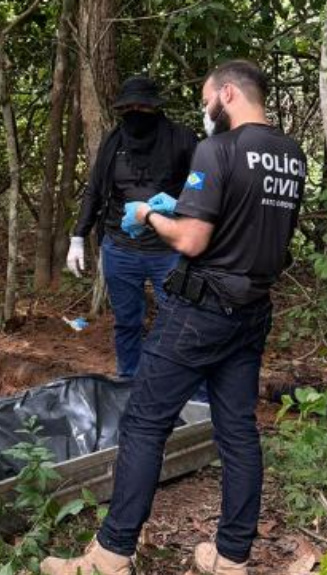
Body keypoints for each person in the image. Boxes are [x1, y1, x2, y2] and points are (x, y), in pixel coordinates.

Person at [41, 60, 307, 575]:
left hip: (200, 310)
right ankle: (232, 560)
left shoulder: (218, 149)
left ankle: (110, 561)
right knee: (237, 430)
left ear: (227, 93)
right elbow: (243, 219)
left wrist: (149, 215)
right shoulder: (292, 155)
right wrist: (180, 205)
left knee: (144, 424)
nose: (207, 109)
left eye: (209, 98)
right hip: (252, 309)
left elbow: (190, 241)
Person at [66, 76, 199, 379]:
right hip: (120, 247)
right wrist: (78, 235)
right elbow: (95, 190)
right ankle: (129, 379)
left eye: (143, 106)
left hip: (168, 249)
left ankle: (177, 384)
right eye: (130, 107)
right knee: (127, 321)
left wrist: (175, 207)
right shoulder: (114, 142)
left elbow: (203, 190)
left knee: (179, 319)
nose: (136, 113)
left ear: (155, 108)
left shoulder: (182, 139)